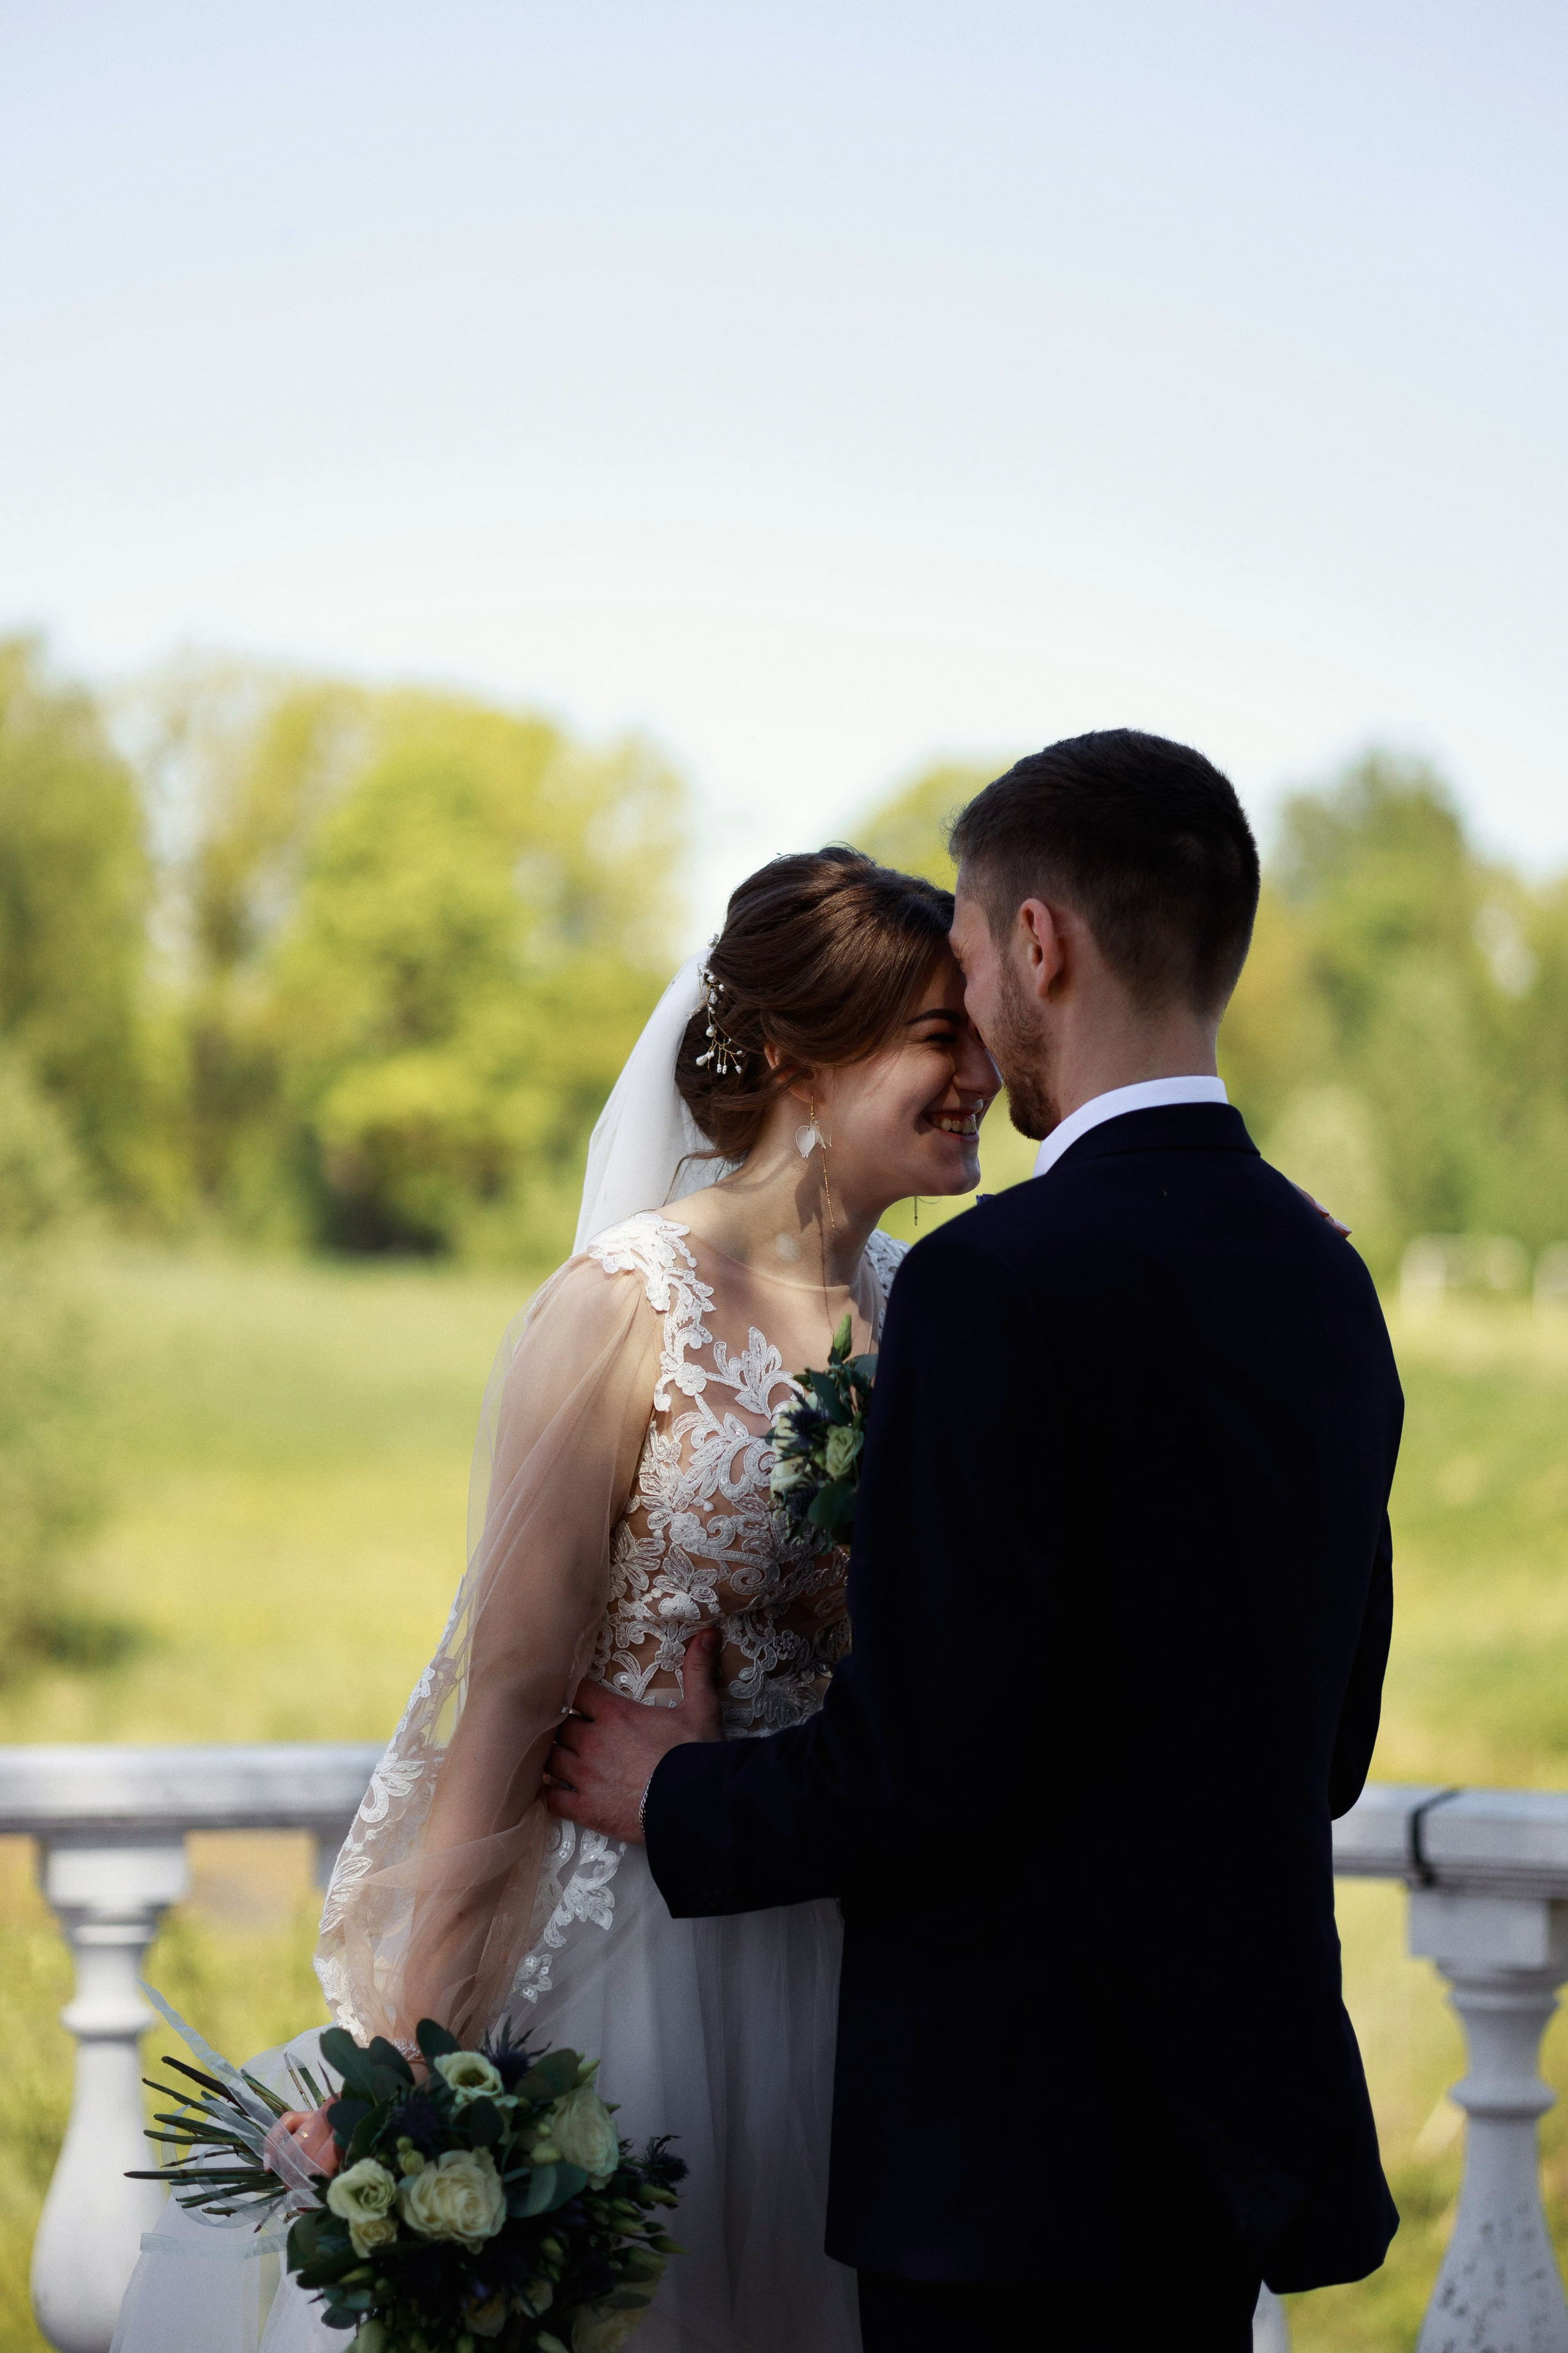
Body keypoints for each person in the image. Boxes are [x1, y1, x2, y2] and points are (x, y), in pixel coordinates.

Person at [545, 730, 1403, 2353]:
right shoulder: (1326, 1274)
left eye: (961, 962)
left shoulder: (994, 1282)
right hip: (1224, 2143)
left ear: (1036, 943)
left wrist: (669, 1788)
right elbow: (1333, 1742)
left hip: (1010, 2163)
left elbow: (919, 1766)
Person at [110, 844, 998, 2353]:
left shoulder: (934, 1313)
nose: (983, 1068)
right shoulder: (622, 1305)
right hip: (637, 1958)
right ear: (798, 1053)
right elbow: (511, 1693)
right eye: (938, 1033)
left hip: (853, 1949)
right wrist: (414, 2078)